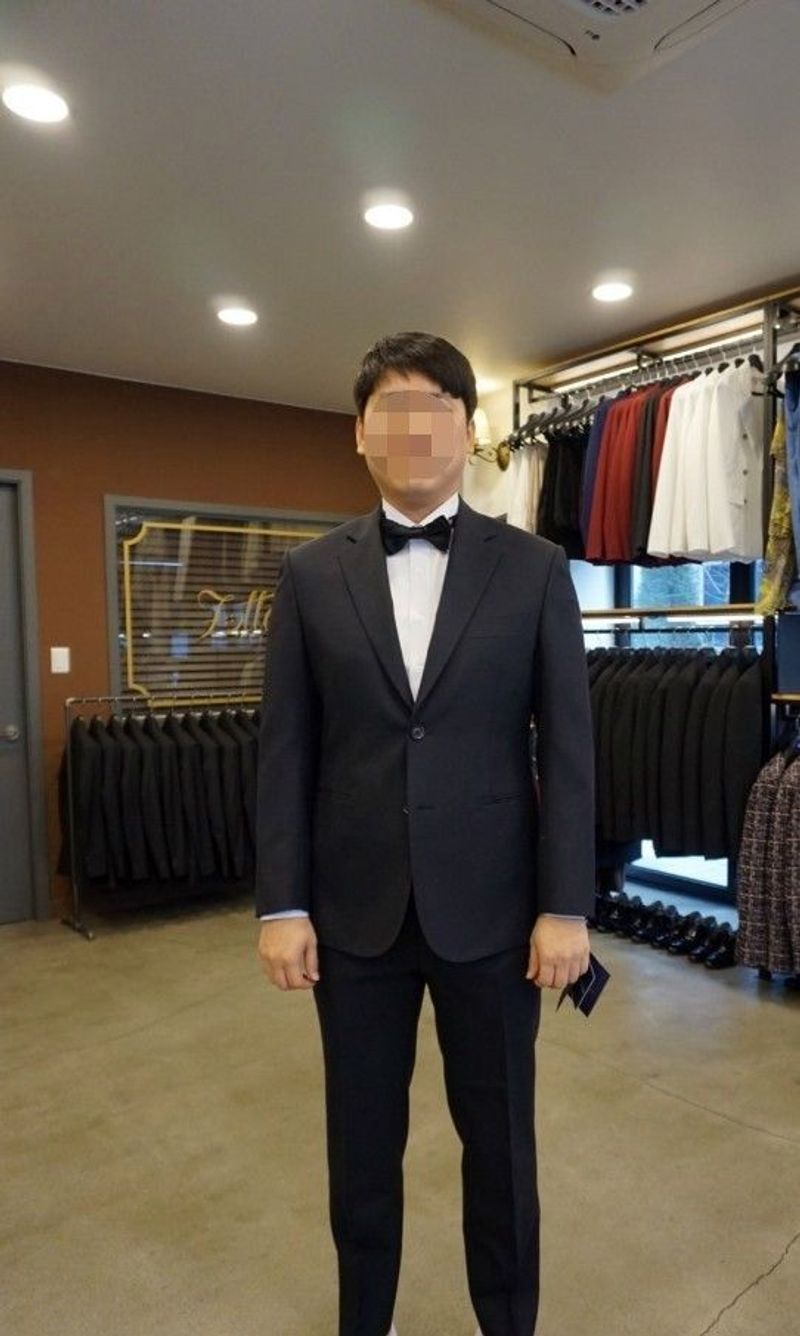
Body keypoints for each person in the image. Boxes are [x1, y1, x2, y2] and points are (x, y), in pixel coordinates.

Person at [255, 332, 595, 1336]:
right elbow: (285, 751)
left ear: (467, 428)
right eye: (390, 412)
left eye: (434, 409)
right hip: (352, 919)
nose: (412, 431)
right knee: (361, 1149)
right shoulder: (310, 574)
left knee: (501, 1147)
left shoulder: (535, 569)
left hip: (495, 919)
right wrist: (281, 904)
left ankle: (507, 1323)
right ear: (359, 433)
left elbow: (568, 748)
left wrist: (565, 907)